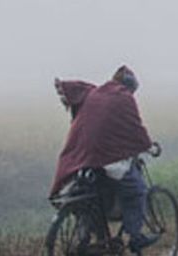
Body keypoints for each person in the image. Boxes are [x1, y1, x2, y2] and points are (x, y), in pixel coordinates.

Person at [50, 66, 159, 253]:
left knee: (90, 197)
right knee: (137, 191)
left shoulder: (94, 93)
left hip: (82, 158)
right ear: (129, 87)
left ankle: (87, 237)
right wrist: (149, 146)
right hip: (107, 157)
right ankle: (135, 237)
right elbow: (135, 128)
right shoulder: (124, 98)